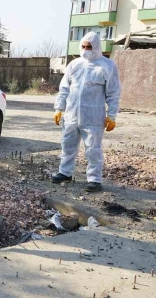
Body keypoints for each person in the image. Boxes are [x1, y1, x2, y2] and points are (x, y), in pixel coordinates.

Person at [51, 32, 121, 192]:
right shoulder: (74, 65)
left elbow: (113, 93)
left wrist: (112, 115)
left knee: (93, 149)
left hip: (93, 118)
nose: (85, 49)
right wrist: (58, 108)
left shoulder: (107, 66)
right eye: (83, 46)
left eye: (89, 47)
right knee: (67, 145)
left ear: (96, 47)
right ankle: (65, 173)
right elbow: (64, 88)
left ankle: (94, 180)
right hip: (71, 115)